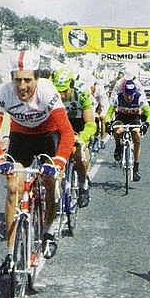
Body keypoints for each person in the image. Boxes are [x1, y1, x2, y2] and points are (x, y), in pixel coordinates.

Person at [0, 51, 74, 266]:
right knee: (14, 186)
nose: (22, 86)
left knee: (50, 179)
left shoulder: (46, 91)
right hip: (21, 136)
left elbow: (68, 133)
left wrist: (59, 162)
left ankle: (49, 229)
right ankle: (10, 252)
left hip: (48, 135)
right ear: (11, 79)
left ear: (37, 78)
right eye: (18, 80)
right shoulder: (4, 92)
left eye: (27, 80)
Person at [51, 68, 97, 208]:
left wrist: (82, 137)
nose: (61, 95)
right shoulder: (49, 90)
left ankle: (83, 186)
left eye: (64, 91)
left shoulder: (82, 91)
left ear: (71, 85)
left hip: (79, 122)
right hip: (61, 122)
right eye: (58, 91)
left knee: (79, 154)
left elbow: (90, 124)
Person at [104, 79, 150, 182]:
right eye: (127, 94)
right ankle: (118, 146)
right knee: (117, 131)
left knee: (136, 136)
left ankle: (136, 168)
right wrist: (108, 124)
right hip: (121, 117)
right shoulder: (117, 98)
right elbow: (108, 114)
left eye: (131, 94)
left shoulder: (140, 98)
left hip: (134, 119)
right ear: (123, 92)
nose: (129, 97)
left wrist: (146, 125)